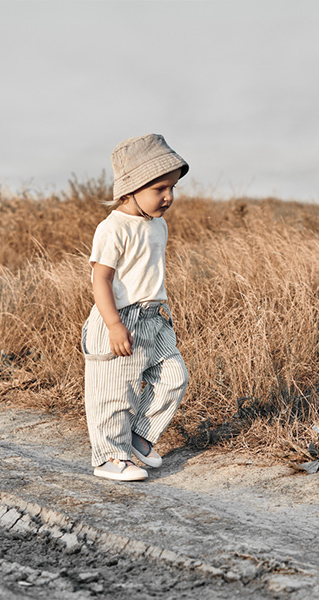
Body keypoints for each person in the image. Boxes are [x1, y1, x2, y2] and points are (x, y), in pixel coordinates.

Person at [80, 134, 189, 481]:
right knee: (116, 393)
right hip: (120, 318)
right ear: (131, 189)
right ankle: (109, 457)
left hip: (155, 317)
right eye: (160, 189)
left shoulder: (158, 224)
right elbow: (101, 280)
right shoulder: (113, 228)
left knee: (174, 377)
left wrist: (164, 313)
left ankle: (139, 437)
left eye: (172, 188)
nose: (169, 197)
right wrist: (113, 325)